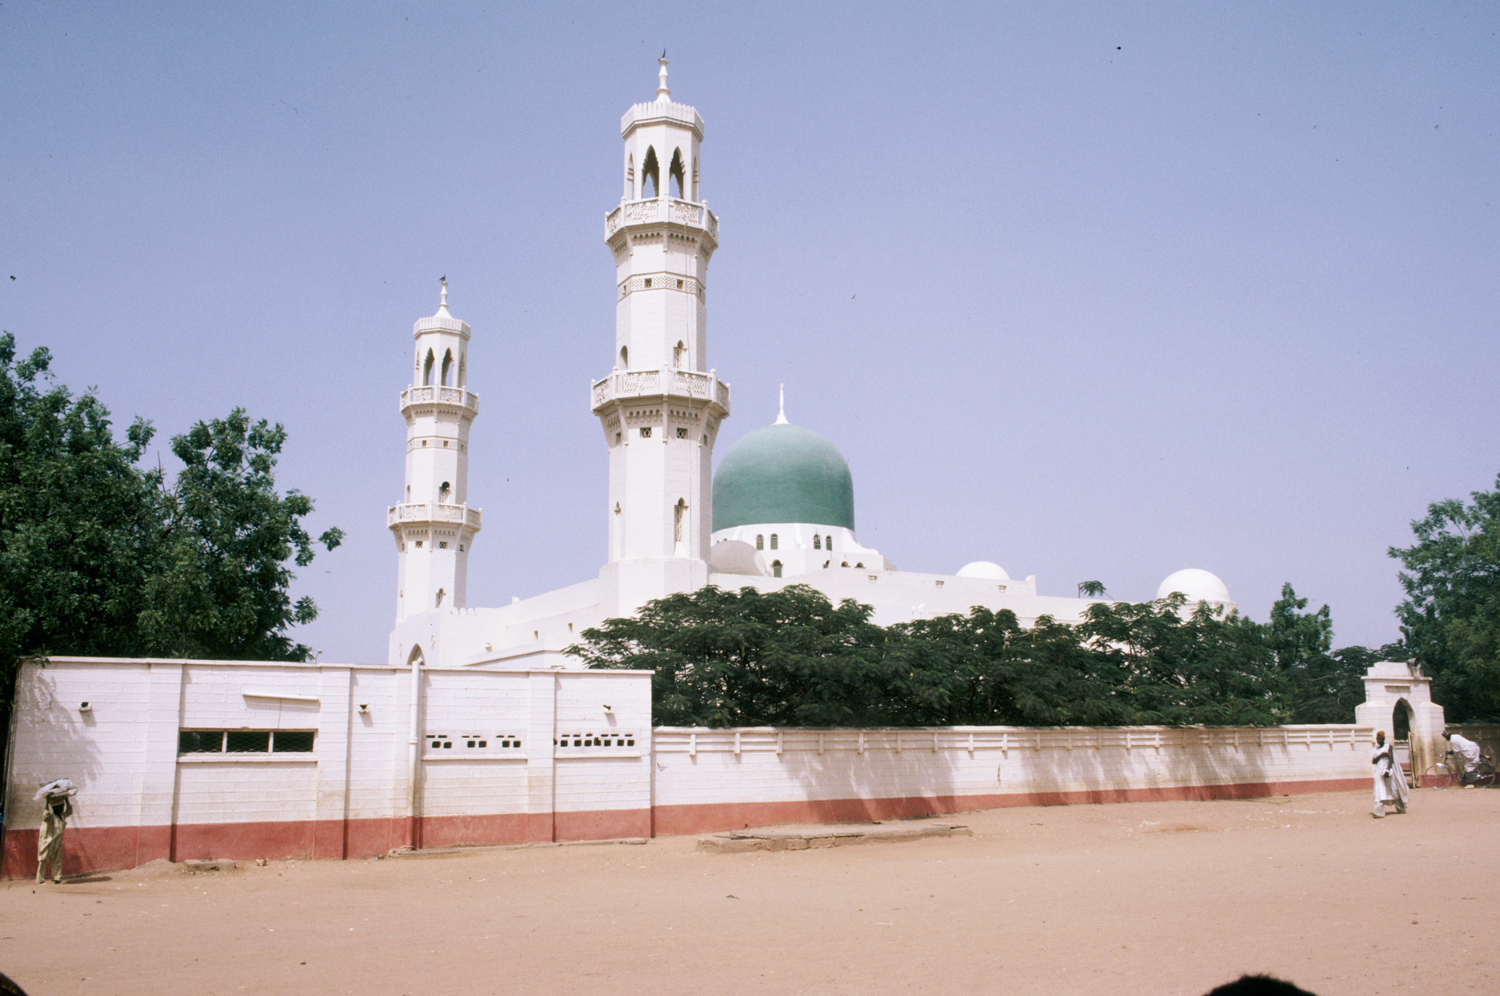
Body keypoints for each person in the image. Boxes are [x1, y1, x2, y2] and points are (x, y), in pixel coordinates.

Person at [33, 778, 77, 884]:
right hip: (47, 842)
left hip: (57, 842)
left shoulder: (62, 816)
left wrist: (66, 799)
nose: (61, 809)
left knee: (57, 861)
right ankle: (40, 879)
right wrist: (47, 801)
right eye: (59, 807)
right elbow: (46, 814)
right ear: (54, 808)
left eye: (62, 807)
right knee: (43, 860)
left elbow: (69, 811)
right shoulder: (50, 818)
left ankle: (56, 878)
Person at [1371, 731, 1408, 818]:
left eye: (1380, 739)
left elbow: (1391, 759)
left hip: (1388, 771)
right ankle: (1379, 812)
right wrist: (1380, 755)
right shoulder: (1376, 749)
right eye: (1377, 739)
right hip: (1379, 772)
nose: (1378, 740)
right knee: (1379, 790)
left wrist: (1388, 769)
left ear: (1383, 739)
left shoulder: (1388, 747)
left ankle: (1401, 808)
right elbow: (1373, 761)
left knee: (1393, 789)